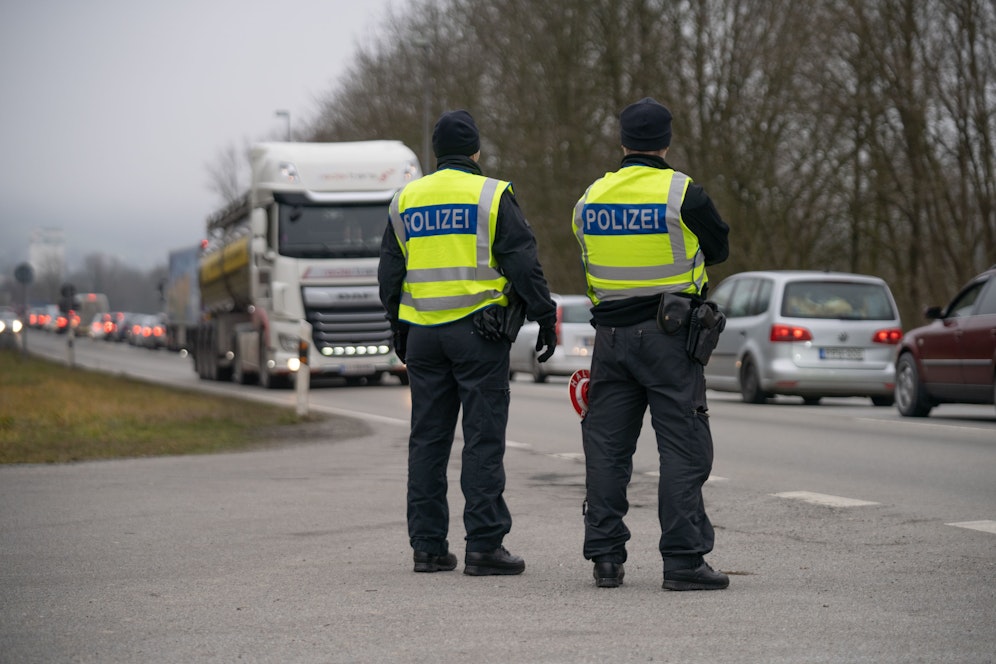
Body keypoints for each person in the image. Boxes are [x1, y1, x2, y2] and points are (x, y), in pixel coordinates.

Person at [379, 109, 558, 576]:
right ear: (476, 150)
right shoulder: (492, 195)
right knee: (482, 439)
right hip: (479, 334)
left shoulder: (405, 200)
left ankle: (428, 548)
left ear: (436, 153)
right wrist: (544, 315)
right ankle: (483, 546)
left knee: (427, 442)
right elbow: (522, 263)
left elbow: (390, 276)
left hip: (423, 337)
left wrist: (400, 329)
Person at [571, 97, 731, 590]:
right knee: (682, 448)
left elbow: (588, 257)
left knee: (606, 450)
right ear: (665, 141)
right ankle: (683, 562)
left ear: (622, 141)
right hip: (669, 338)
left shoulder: (590, 199)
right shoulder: (681, 192)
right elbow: (719, 247)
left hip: (611, 341)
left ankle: (606, 559)